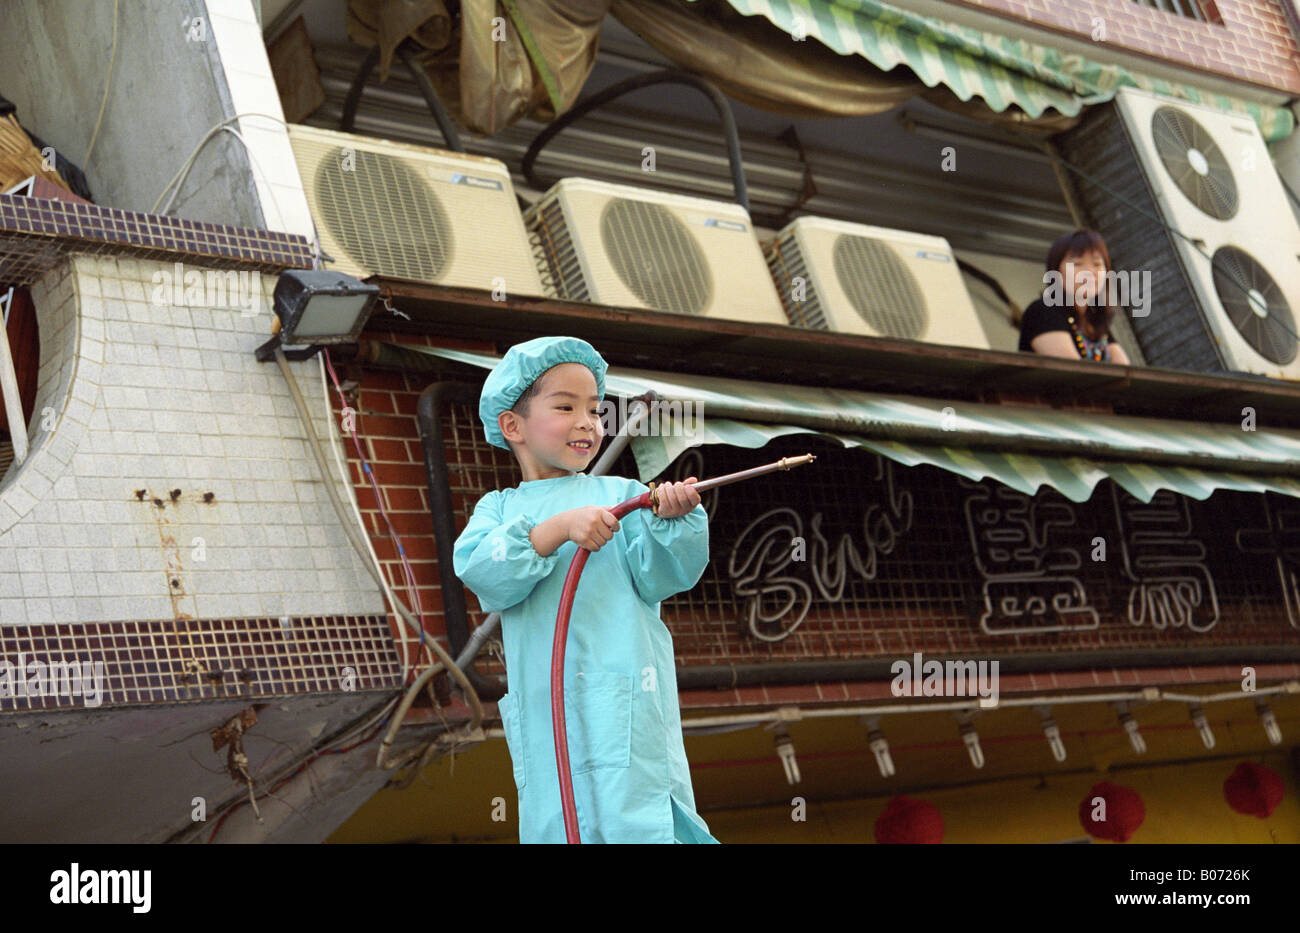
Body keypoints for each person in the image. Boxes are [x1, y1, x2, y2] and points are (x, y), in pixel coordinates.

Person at [452, 335, 719, 844]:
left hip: (632, 704)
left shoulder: (625, 495)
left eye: (596, 410)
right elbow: (483, 571)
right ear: (513, 425)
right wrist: (559, 528)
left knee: (645, 823)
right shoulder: (498, 509)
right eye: (565, 406)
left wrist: (677, 519)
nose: (587, 422)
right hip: (548, 713)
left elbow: (669, 574)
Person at [1018, 229, 1132, 365]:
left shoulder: (1093, 319)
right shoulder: (1043, 311)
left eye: (1097, 264)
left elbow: (1126, 373)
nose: (1090, 272)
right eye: (1077, 264)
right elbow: (1076, 375)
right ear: (1056, 271)